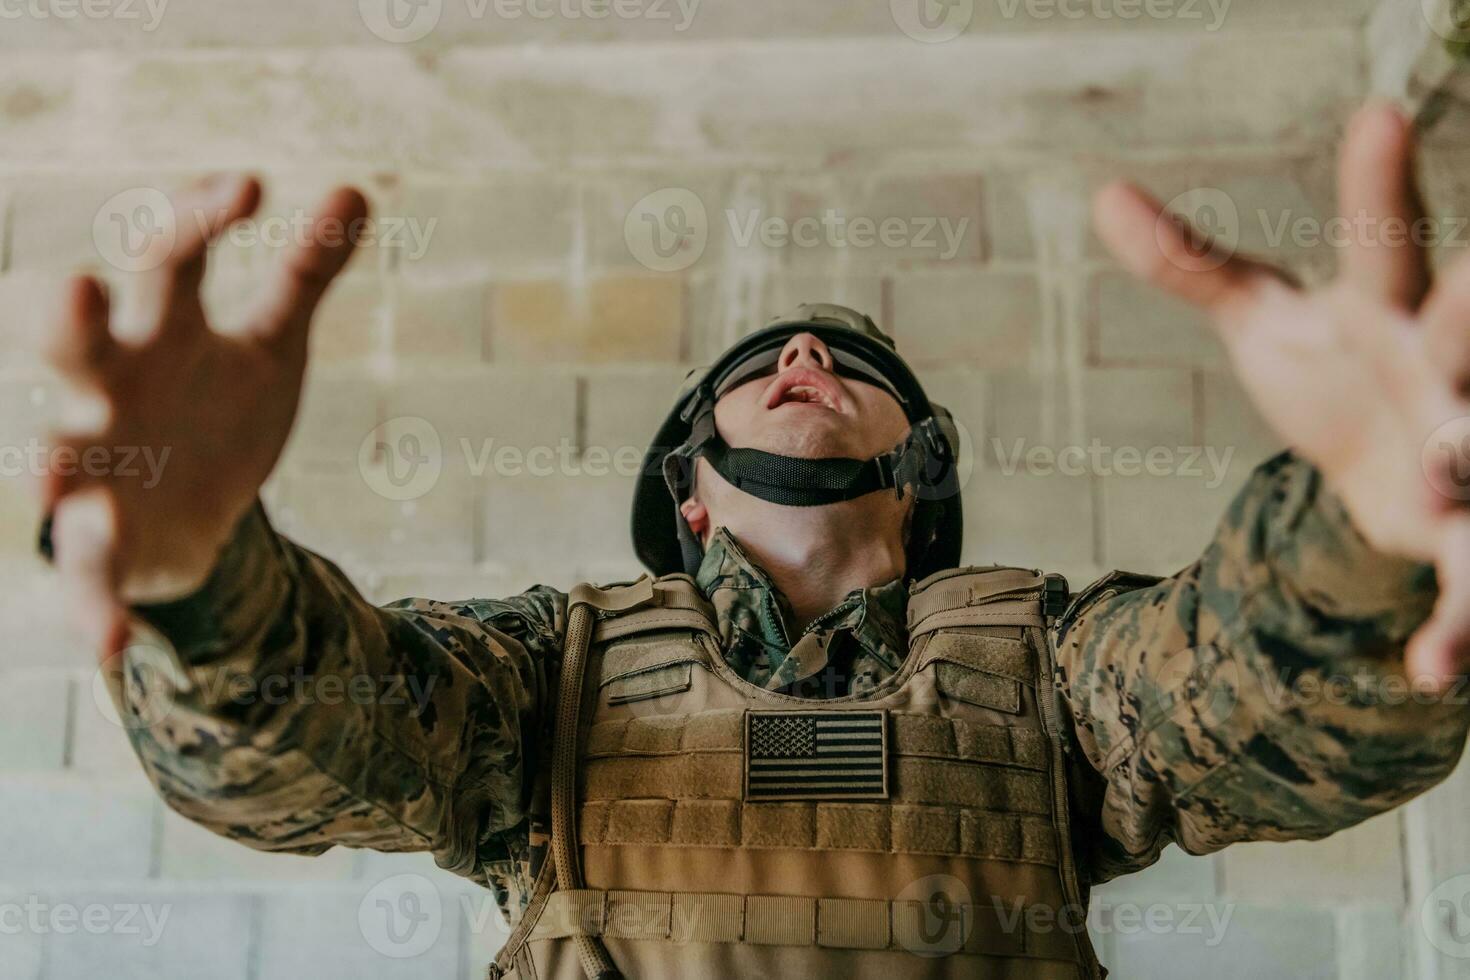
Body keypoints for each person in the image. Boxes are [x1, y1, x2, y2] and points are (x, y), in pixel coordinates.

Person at [36, 103, 1470, 978]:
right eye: (764, 360)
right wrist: (204, 575)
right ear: (693, 492)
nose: (800, 349)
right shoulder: (550, 673)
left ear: (912, 485)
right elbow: (330, 753)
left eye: (850, 364)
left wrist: (1358, 537)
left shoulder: (1051, 665)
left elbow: (1241, 706)